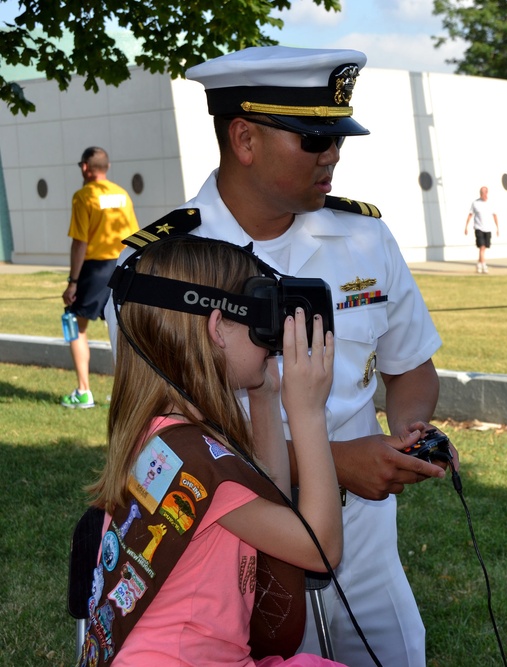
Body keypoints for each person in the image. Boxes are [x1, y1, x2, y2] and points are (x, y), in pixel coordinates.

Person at [108, 46, 452, 667]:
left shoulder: (365, 238)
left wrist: (408, 437)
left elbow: (411, 368)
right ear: (244, 138)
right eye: (315, 137)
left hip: (366, 532)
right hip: (229, 553)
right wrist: (333, 462)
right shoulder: (158, 274)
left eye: (338, 137)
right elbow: (160, 442)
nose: (334, 155)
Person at [79, 235, 346, 666]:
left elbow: (268, 501)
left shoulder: (165, 439)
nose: (272, 338)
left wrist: (266, 395)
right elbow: (321, 547)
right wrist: (308, 414)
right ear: (217, 327)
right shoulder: (196, 459)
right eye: (262, 321)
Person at [61, 146, 139, 408]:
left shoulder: (83, 196)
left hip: (95, 269)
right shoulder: (121, 194)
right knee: (119, 329)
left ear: (85, 167)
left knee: (76, 324)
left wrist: (73, 281)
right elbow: (135, 235)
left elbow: (80, 242)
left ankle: (84, 392)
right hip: (123, 266)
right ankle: (127, 395)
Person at [464, 185, 500, 273]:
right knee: (482, 246)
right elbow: (470, 215)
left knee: (484, 247)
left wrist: (497, 227)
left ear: (487, 193)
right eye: (481, 192)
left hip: (488, 228)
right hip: (478, 228)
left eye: (484, 192)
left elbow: (494, 215)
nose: (482, 194)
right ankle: (483, 265)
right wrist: (466, 226)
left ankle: (479, 264)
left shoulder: (490, 203)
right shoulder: (475, 203)